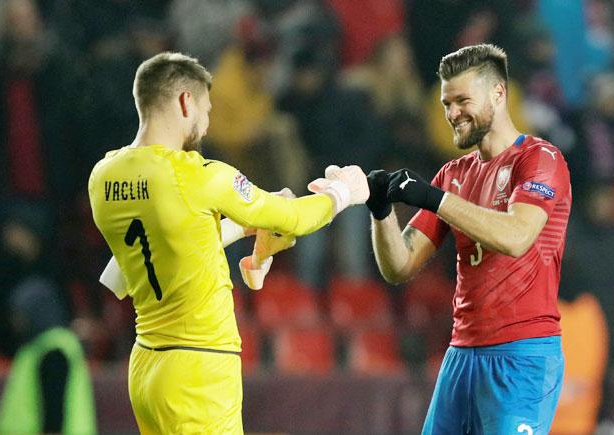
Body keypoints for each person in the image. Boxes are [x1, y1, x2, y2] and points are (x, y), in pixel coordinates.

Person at [87, 52, 368, 434]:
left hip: (146, 366)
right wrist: (343, 192)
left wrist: (238, 227)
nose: (205, 124)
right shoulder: (200, 177)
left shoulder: (103, 176)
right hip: (198, 366)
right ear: (186, 102)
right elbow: (294, 219)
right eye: (206, 110)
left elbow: (166, 245)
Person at [366, 44, 571, 434]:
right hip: (462, 354)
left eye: (462, 100)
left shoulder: (541, 160)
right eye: (446, 103)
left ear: (498, 93)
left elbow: (516, 236)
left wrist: (434, 198)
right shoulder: (452, 173)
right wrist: (381, 212)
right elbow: (399, 265)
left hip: (521, 355)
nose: (452, 113)